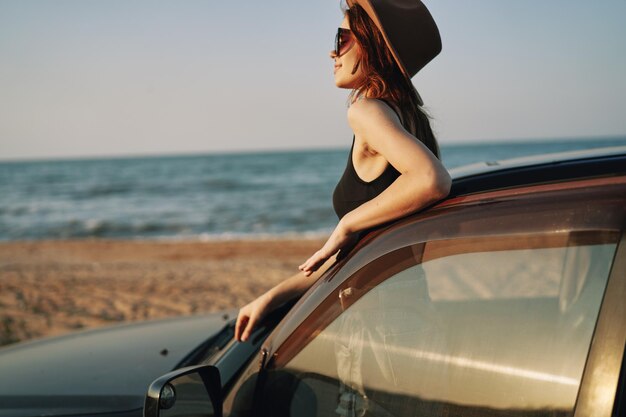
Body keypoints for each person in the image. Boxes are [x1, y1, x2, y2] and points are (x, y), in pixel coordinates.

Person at [235, 0, 450, 343]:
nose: (331, 53)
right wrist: (273, 296)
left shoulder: (367, 112)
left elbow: (432, 180)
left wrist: (346, 222)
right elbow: (356, 252)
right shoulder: (413, 120)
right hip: (410, 309)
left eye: (341, 39)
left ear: (373, 44)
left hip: (378, 322)